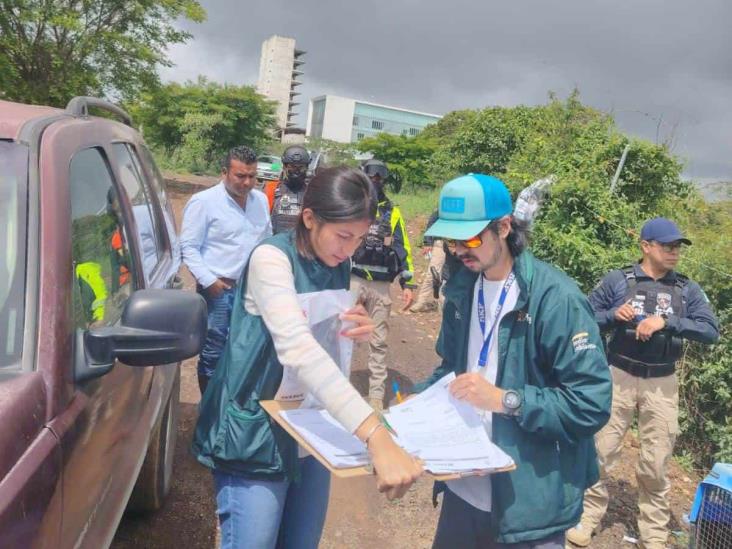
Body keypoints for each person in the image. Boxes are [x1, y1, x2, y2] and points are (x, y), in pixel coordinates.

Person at [192, 167, 423, 549]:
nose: (350, 250)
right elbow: (297, 347)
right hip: (256, 434)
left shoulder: (338, 263)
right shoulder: (271, 259)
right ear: (310, 218)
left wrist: (348, 325)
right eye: (344, 236)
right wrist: (375, 435)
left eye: (360, 238)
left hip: (310, 429)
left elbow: (322, 337)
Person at [412, 174, 612, 548]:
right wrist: (412, 406)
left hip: (529, 498)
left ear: (504, 227)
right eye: (451, 240)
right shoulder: (463, 289)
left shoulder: (556, 299)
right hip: (465, 490)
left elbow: (591, 404)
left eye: (469, 239)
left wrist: (506, 400)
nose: (458, 250)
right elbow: (450, 370)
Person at [567, 217, 720, 549]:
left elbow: (710, 331)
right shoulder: (617, 281)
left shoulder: (686, 289)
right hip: (617, 375)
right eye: (667, 246)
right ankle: (587, 517)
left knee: (656, 460)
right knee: (600, 451)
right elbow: (581, 318)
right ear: (646, 246)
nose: (674, 252)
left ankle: (653, 534)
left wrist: (667, 321)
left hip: (662, 381)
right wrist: (611, 317)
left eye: (677, 246)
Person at [180, 146, 272, 394]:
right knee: (214, 351)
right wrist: (209, 281)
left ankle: (230, 404)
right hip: (218, 290)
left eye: (252, 176)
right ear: (224, 173)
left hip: (251, 290)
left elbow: (266, 240)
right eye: (240, 176)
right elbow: (188, 247)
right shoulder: (204, 202)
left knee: (245, 348)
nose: (247, 182)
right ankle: (210, 410)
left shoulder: (261, 201)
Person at [351, 159, 416, 411]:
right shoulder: (352, 204)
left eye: (380, 177)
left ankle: (376, 396)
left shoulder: (393, 211)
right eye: (372, 176)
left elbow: (403, 247)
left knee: (378, 341)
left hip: (380, 285)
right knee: (342, 336)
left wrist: (407, 281)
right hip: (353, 280)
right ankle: (336, 390)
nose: (376, 180)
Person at [264, 145, 310, 234]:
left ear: (307, 168)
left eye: (301, 167)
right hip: (275, 244)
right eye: (292, 166)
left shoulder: (312, 192)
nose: (296, 171)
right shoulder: (272, 188)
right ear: (285, 167)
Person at [410, 209, 447, 312]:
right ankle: (421, 302)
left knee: (449, 277)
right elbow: (431, 222)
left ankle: (444, 306)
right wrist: (427, 242)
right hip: (440, 243)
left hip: (458, 244)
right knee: (432, 274)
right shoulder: (444, 207)